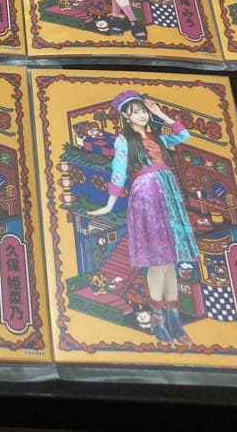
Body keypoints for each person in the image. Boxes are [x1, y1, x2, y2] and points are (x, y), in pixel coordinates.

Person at [89, 90, 198, 347]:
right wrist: (109, 205)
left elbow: (184, 135)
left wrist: (160, 114)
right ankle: (159, 321)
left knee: (170, 261)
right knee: (159, 261)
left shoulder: (157, 137)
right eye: (135, 112)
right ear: (126, 117)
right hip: (147, 192)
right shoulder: (123, 140)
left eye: (143, 111)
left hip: (167, 190)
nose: (141, 115)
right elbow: (118, 172)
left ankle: (174, 321)